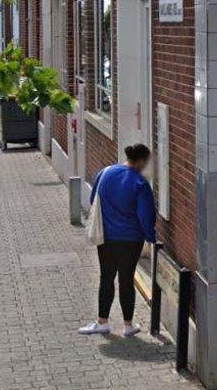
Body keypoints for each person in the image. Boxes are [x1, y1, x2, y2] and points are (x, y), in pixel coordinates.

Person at [78, 144, 156, 337]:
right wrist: (151, 237)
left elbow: (92, 199)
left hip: (107, 237)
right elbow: (146, 216)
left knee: (106, 277)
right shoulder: (140, 183)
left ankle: (102, 322)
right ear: (140, 161)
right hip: (131, 239)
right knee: (126, 280)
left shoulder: (105, 173)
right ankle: (128, 326)